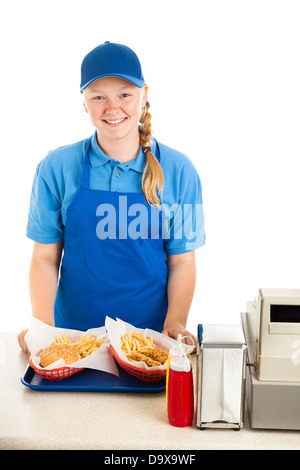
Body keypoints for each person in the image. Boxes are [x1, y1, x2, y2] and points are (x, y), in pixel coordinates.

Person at [18, 41, 205, 354]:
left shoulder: (180, 170)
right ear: (84, 103)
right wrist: (43, 327)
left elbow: (183, 261)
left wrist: (175, 322)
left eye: (125, 94)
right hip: (74, 345)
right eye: (98, 97)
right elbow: (44, 258)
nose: (112, 107)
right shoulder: (56, 168)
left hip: (149, 345)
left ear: (144, 95)